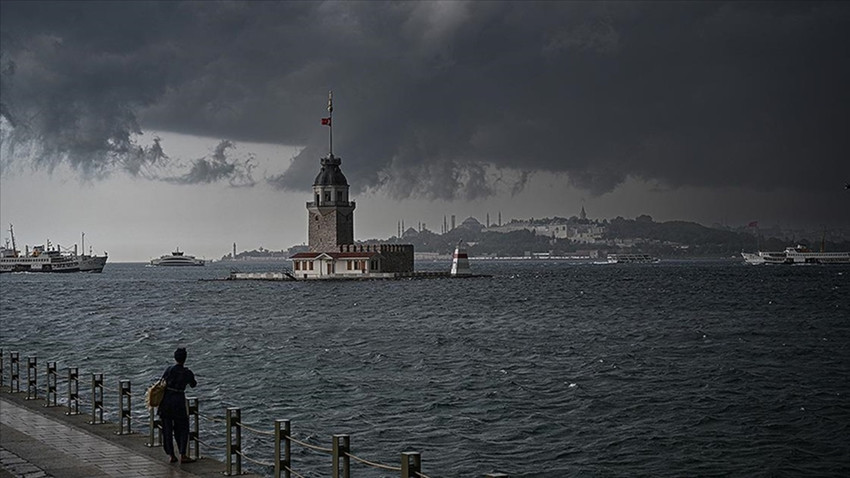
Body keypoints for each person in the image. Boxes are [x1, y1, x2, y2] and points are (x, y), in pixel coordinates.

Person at [158, 346, 197, 464]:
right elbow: (193, 384)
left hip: (166, 401)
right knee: (183, 428)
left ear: (175, 358)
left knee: (167, 429)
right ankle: (183, 454)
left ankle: (171, 455)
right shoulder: (187, 372)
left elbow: (161, 382)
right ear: (185, 359)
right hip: (179, 401)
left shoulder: (169, 370)